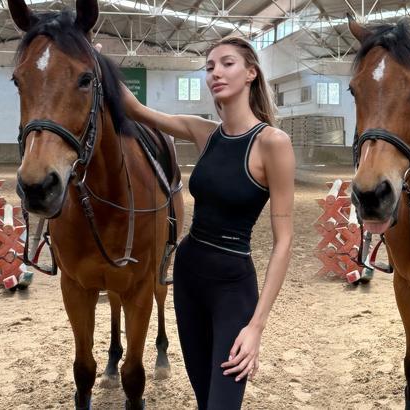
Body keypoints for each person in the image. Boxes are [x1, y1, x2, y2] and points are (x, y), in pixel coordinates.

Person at [115, 37, 294, 409]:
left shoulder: (272, 143)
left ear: (251, 73)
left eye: (227, 63)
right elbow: (135, 109)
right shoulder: (204, 133)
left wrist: (256, 326)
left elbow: (284, 242)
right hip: (188, 276)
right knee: (203, 399)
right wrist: (87, 52)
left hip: (233, 287)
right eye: (210, 67)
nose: (215, 73)